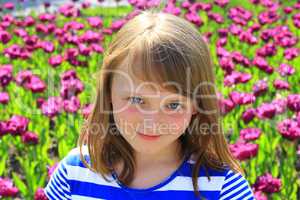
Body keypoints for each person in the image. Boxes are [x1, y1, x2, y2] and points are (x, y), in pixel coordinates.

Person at [44, 8, 255, 200]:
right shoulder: (75, 173)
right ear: (108, 94)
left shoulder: (221, 186)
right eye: (137, 99)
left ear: (197, 106)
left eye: (173, 105)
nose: (152, 121)